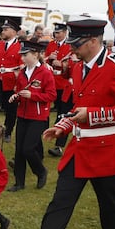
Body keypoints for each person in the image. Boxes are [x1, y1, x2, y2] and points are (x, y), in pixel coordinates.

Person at [7, 19, 115, 229]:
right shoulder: (79, 68)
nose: (72, 50)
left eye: (76, 45)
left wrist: (91, 116)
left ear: (93, 41)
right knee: (60, 203)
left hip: (109, 148)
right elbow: (79, 106)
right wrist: (64, 126)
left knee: (110, 206)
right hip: (80, 148)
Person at [8, 40, 56, 191]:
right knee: (19, 150)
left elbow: (51, 95)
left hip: (38, 117)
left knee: (28, 149)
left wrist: (32, 95)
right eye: (22, 55)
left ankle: (40, 171)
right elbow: (21, 91)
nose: (22, 58)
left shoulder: (45, 73)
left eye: (25, 55)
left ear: (35, 55)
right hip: (22, 114)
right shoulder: (22, 73)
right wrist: (16, 96)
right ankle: (19, 182)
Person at [0, 20, 22, 140]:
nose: (3, 32)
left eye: (5, 29)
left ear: (13, 31)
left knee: (11, 108)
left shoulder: (19, 46)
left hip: (11, 81)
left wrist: (18, 84)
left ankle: (8, 131)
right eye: (3, 29)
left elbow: (21, 66)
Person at [46, 23, 73, 157]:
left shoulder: (70, 45)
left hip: (63, 83)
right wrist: (49, 59)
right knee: (45, 108)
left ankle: (59, 145)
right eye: (55, 33)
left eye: (59, 33)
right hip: (51, 81)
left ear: (64, 32)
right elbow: (44, 61)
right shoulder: (51, 45)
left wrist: (61, 64)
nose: (56, 35)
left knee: (62, 113)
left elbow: (73, 64)